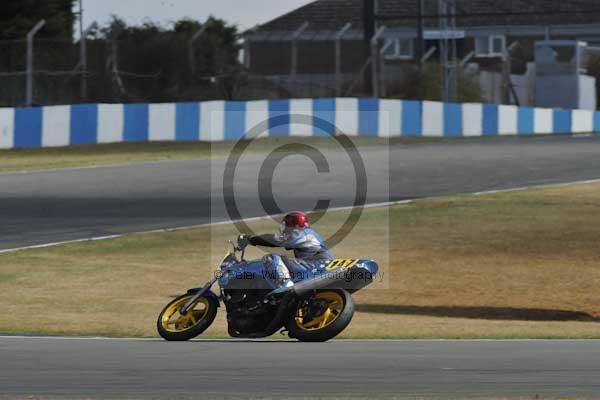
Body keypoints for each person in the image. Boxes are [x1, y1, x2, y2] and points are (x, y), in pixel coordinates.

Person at [242, 211, 333, 295]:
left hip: (316, 265)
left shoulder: (304, 233)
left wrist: (251, 239)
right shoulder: (308, 234)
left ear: (295, 226)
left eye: (286, 225)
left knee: (271, 258)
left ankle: (286, 286)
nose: (284, 228)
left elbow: (276, 240)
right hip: (315, 266)